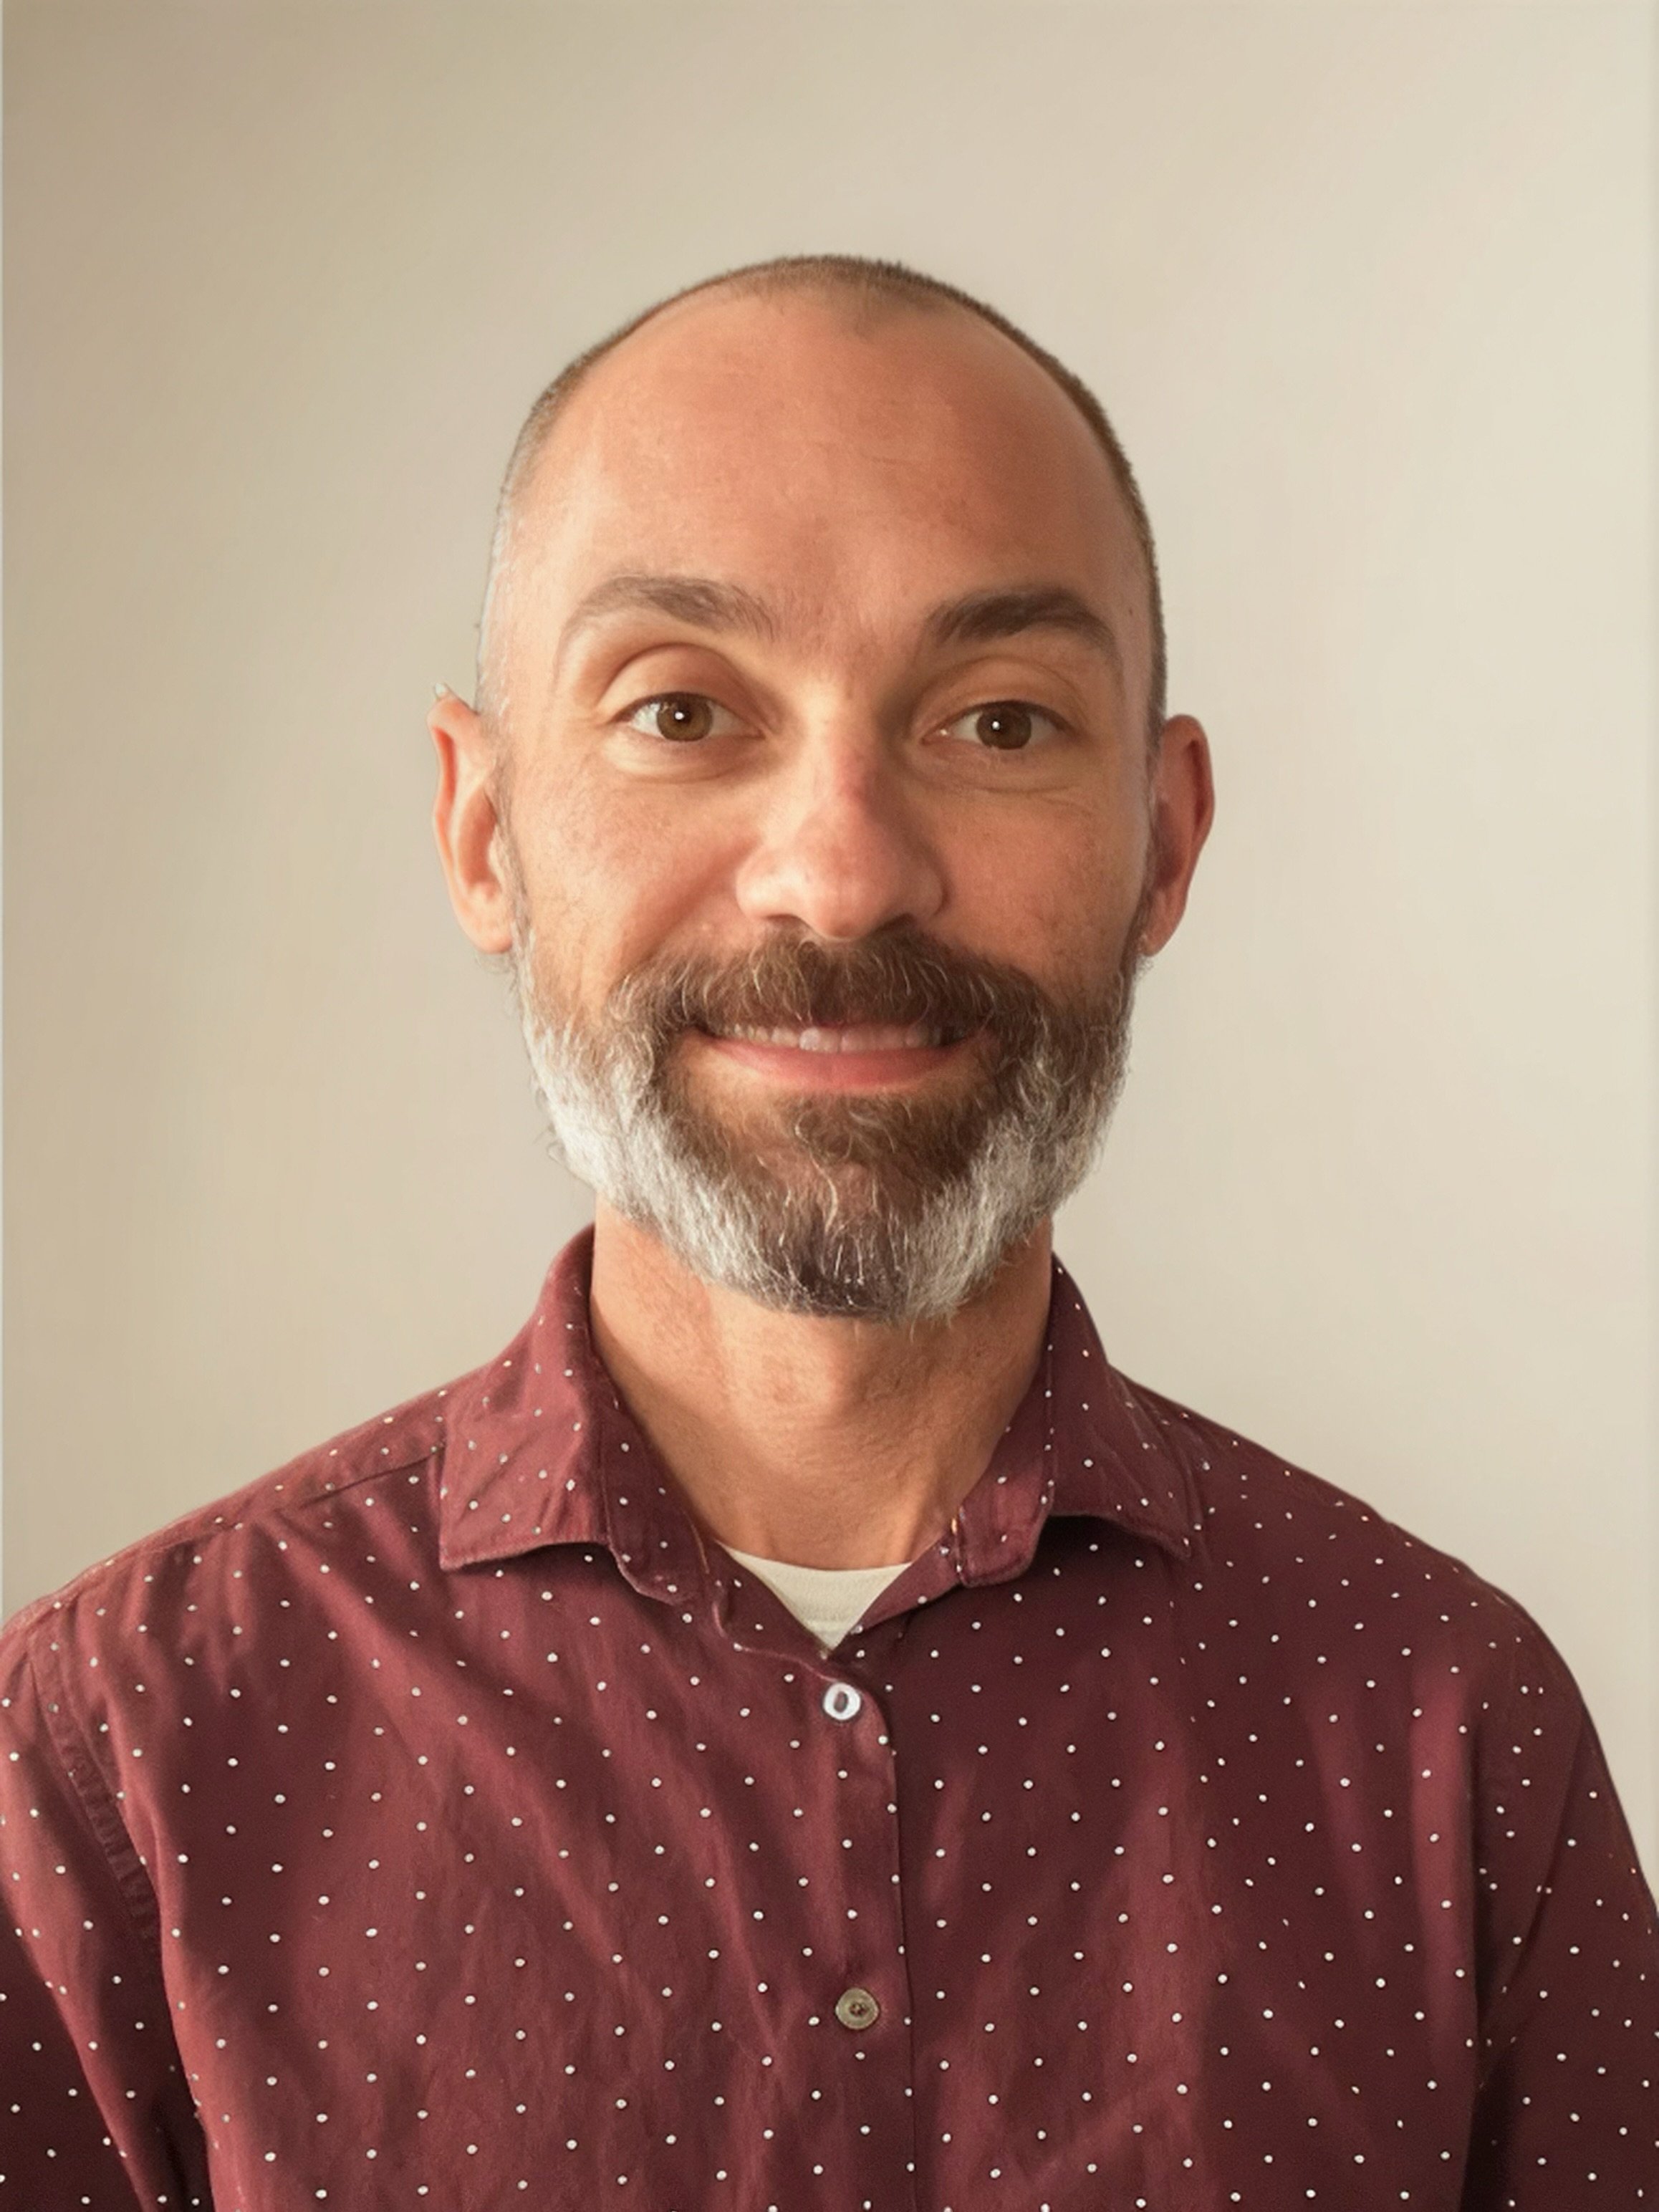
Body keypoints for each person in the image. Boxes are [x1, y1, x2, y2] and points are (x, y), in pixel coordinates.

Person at [2, 255, 1654, 2211]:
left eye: (1000, 720)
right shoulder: (114, 1756)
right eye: (683, 708)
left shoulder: (1449, 1735)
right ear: (480, 829)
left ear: (1165, 836)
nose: (842, 867)